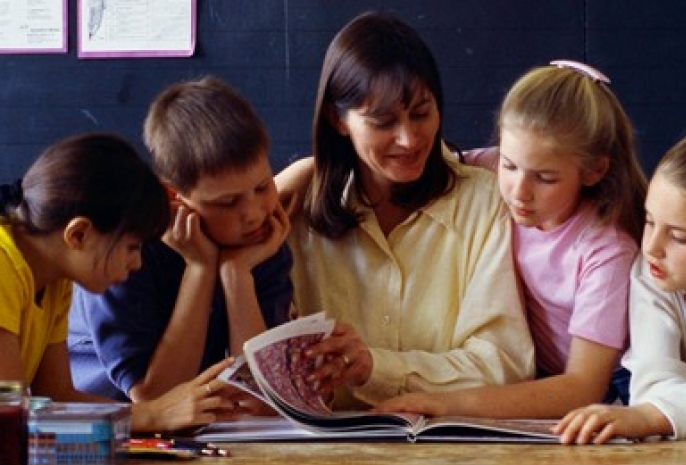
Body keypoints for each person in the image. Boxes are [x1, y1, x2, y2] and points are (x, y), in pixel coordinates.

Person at [275, 11, 535, 409]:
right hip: (324, 442)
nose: (409, 139)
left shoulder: (482, 200)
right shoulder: (296, 209)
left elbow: (504, 365)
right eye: (383, 122)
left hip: (448, 442)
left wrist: (375, 368)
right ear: (337, 119)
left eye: (421, 113)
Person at [376, 60, 647, 418]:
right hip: (538, 375)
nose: (519, 191)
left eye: (545, 178)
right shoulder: (491, 167)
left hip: (606, 389)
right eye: (509, 165)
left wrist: (446, 403)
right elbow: (420, 161)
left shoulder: (607, 251)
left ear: (594, 171)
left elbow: (584, 386)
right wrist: (309, 170)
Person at [68, 76, 292, 409]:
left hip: (208, 425)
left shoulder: (260, 245)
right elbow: (156, 399)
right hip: (107, 422)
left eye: (262, 187)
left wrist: (236, 276)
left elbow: (261, 397)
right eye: (227, 202)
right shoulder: (124, 252)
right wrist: (200, 269)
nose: (254, 214)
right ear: (174, 196)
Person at [0, 133, 234, 432]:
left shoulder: (55, 279)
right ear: (78, 235)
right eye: (132, 247)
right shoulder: (4, 266)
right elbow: (9, 418)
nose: (137, 263)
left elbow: (59, 398)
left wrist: (155, 413)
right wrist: (151, 415)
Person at [555, 118, 686, 444]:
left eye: (679, 237)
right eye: (649, 222)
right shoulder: (652, 271)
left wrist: (655, 417)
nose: (651, 247)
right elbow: (651, 388)